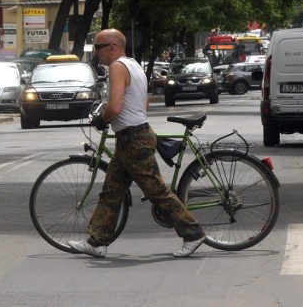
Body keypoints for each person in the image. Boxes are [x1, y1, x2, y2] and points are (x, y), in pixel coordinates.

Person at [68, 28, 206, 258]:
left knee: (157, 191)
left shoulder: (117, 68)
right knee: (111, 191)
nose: (96, 52)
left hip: (134, 139)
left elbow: (115, 107)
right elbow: (145, 104)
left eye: (99, 47)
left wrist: (102, 120)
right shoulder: (133, 65)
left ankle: (193, 232)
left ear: (112, 47)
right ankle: (97, 241)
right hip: (131, 137)